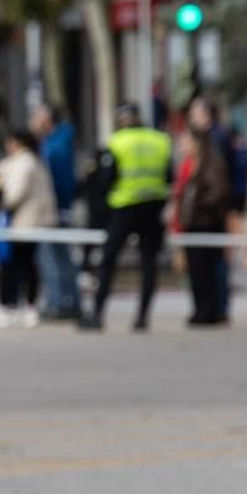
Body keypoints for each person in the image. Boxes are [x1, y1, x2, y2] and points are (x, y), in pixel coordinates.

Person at [79, 104, 172, 332]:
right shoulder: (159, 140)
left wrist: (100, 210)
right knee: (149, 262)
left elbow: (105, 179)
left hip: (124, 206)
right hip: (153, 206)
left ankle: (98, 313)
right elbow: (169, 175)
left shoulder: (117, 142)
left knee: (108, 259)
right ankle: (142, 317)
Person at [0, 128, 57, 328]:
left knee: (15, 265)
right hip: (29, 222)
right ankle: (24, 305)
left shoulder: (24, 163)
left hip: (23, 223)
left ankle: (12, 305)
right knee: (26, 265)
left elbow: (14, 194)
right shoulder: (34, 161)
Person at [175, 98, 234, 327]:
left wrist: (201, 207)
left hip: (205, 222)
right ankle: (202, 309)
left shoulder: (212, 154)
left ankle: (211, 310)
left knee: (208, 269)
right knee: (197, 271)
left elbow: (218, 190)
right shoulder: (190, 163)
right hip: (193, 222)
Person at [30, 105, 80, 319]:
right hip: (57, 208)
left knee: (51, 257)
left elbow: (59, 182)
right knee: (61, 256)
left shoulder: (54, 147)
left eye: (35, 117)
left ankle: (60, 301)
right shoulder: (55, 143)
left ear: (46, 120)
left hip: (54, 209)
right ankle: (68, 299)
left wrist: (60, 206)